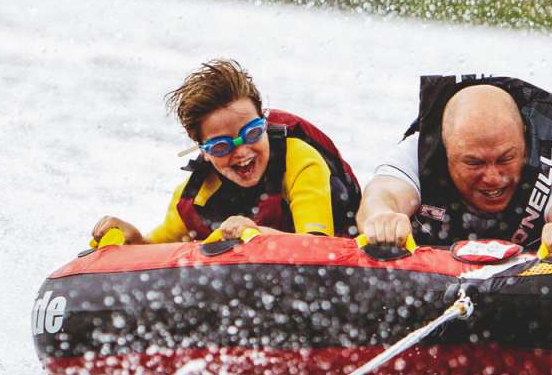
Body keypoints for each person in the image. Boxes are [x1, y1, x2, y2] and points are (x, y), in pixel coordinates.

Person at [91, 60, 361, 245]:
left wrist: (256, 234)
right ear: (203, 150)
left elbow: (316, 245)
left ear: (263, 122)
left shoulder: (300, 160)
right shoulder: (197, 195)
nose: (242, 152)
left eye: (253, 133)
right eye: (221, 146)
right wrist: (133, 238)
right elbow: (157, 251)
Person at [357, 75, 552, 255]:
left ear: (525, 138)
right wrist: (383, 219)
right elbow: (381, 194)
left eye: (506, 158)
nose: (493, 178)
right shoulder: (419, 148)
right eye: (474, 162)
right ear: (446, 148)